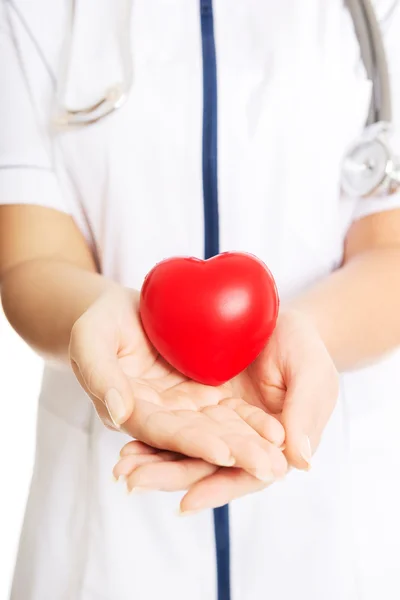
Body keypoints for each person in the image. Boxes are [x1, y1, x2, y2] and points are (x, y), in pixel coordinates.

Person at [1, 1, 400, 598]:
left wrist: (303, 336)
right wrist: (99, 316)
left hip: (322, 521)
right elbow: (30, 260)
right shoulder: (34, 11)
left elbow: (389, 249)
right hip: (106, 535)